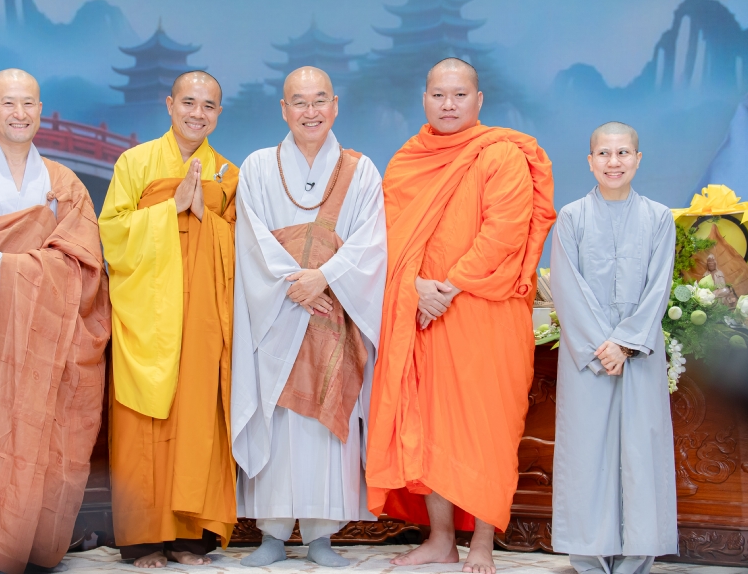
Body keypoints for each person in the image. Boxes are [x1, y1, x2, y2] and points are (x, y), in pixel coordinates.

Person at [366, 58, 556, 574]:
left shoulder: (500, 155)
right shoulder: (409, 160)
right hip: (423, 314)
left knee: (484, 427)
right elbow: (387, 241)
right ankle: (441, 540)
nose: (448, 105)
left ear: (479, 101)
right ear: (424, 98)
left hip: (482, 313)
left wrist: (445, 287)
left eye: (459, 95)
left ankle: (482, 546)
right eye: (438, 95)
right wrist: (415, 289)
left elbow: (504, 231)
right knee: (428, 427)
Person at [0, 69, 111, 574]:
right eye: (8, 103)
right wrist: (16, 269)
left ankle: (32, 544)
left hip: (46, 331)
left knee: (43, 429)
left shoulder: (63, 182)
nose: (19, 113)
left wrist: (19, 271)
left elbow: (85, 257)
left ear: (40, 110)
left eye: (29, 103)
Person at [231, 66, 387, 568]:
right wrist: (293, 285)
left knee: (325, 424)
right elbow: (250, 240)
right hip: (276, 314)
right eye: (299, 101)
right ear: (284, 109)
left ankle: (321, 534)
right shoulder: (256, 166)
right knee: (276, 418)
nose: (310, 110)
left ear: (335, 105)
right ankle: (272, 535)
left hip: (332, 310)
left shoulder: (360, 170)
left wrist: (324, 278)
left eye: (320, 100)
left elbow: (371, 242)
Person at [98, 71, 238, 568]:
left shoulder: (227, 172)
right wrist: (169, 210)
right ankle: (142, 538)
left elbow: (244, 247)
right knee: (143, 421)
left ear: (219, 114)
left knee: (197, 417)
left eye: (209, 106)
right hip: (148, 309)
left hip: (202, 313)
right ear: (169, 104)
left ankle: (188, 535)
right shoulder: (134, 162)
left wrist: (207, 211)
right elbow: (110, 233)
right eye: (189, 102)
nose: (197, 113)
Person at [550, 121, 677, 574]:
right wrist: (601, 345)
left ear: (638, 160)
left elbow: (659, 286)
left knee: (642, 452)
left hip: (638, 355)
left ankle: (637, 558)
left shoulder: (660, 218)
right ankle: (588, 556)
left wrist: (624, 343)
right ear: (590, 161)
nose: (614, 162)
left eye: (623, 153)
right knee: (587, 452)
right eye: (604, 154)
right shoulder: (571, 217)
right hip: (587, 357)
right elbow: (566, 285)